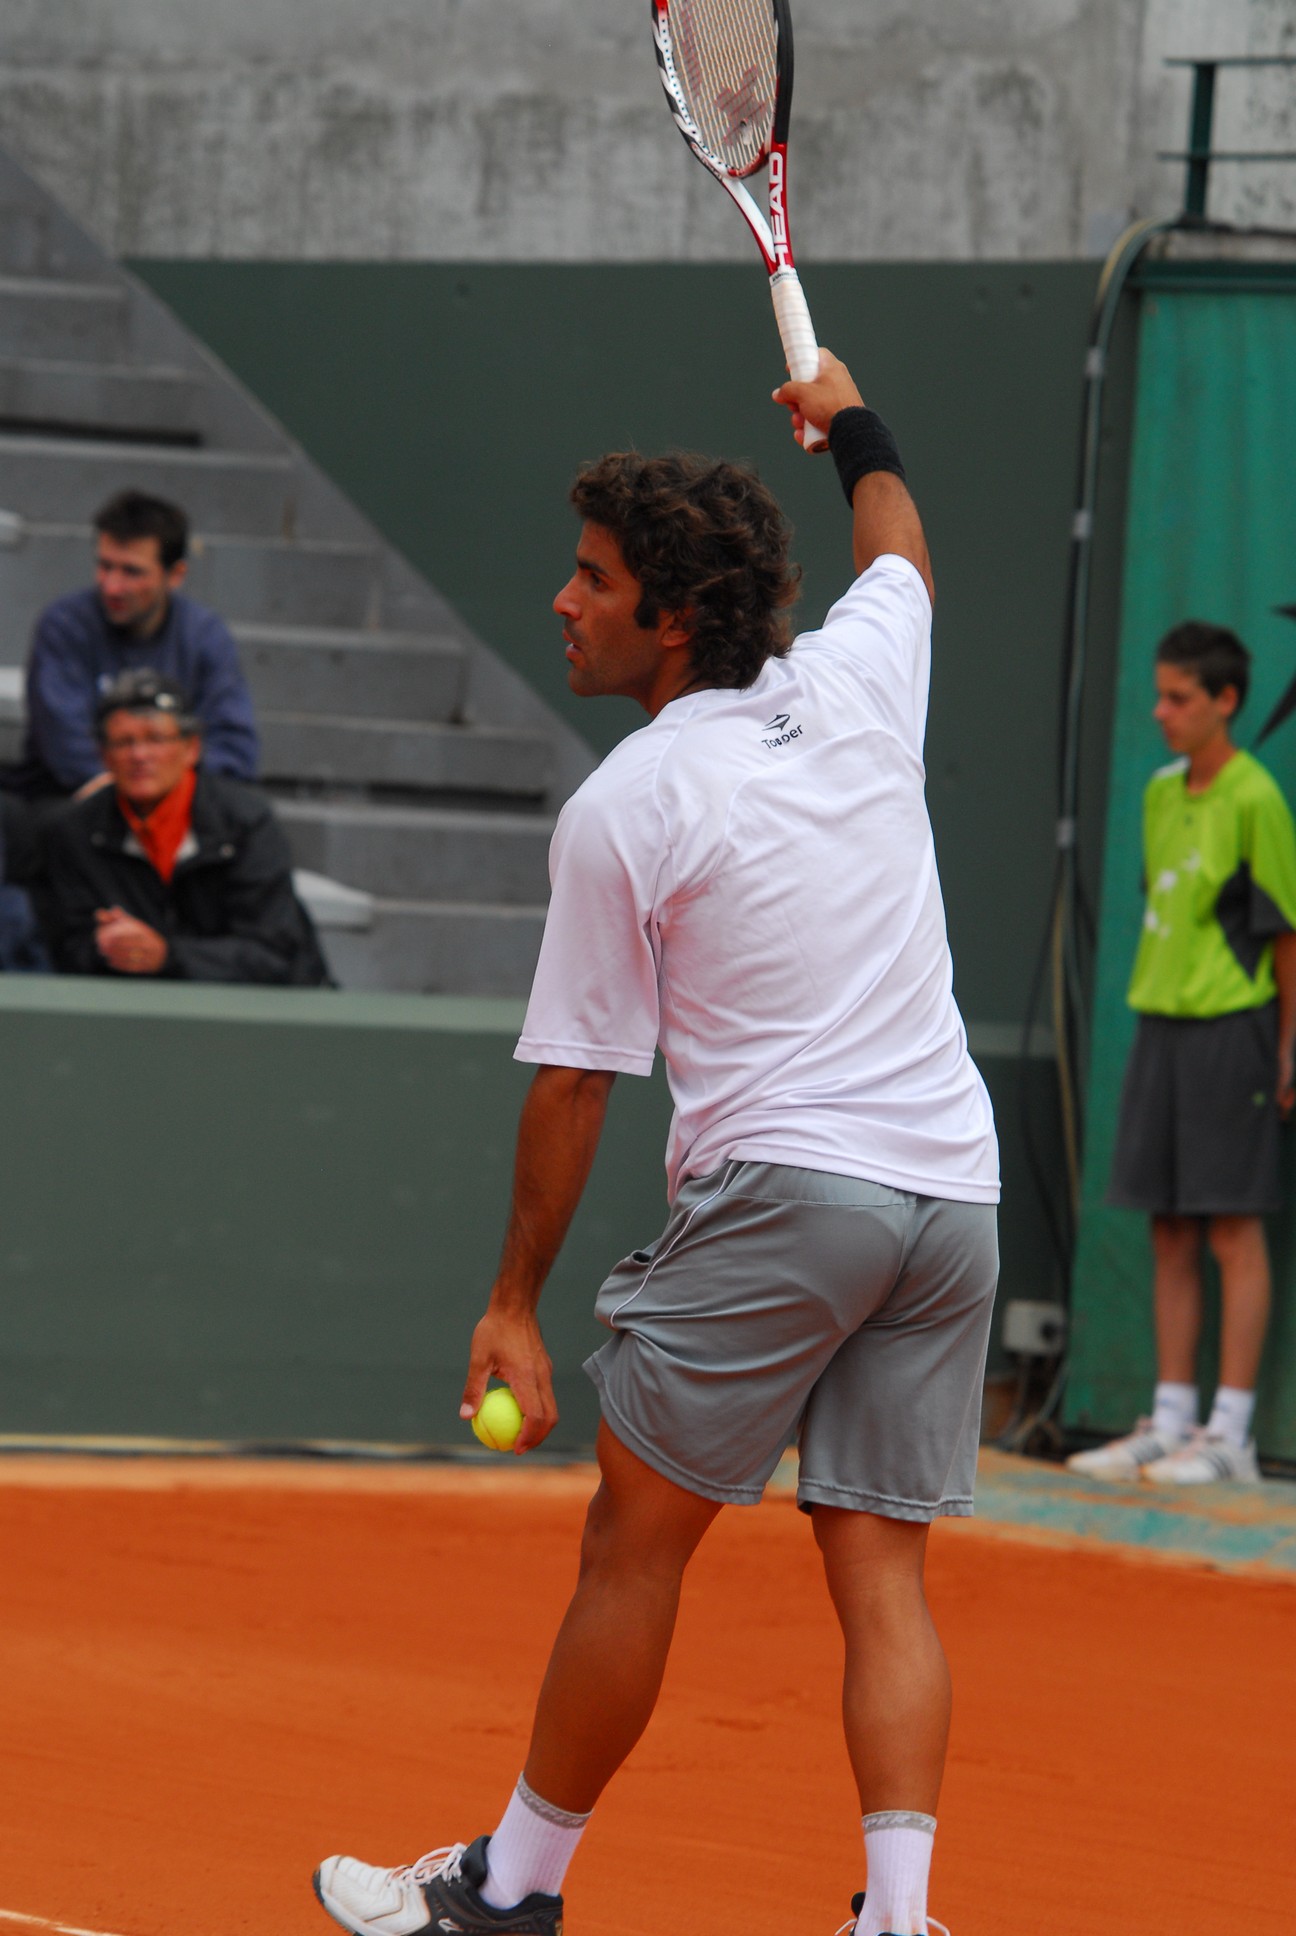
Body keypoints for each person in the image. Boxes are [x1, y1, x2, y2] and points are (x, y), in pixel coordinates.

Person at [312, 352, 999, 1936]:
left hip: (789, 1194)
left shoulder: (630, 805)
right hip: (950, 1195)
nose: (563, 600)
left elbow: (575, 1085)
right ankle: (900, 1919)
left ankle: (513, 1889)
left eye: (594, 579)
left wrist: (510, 1302)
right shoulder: (860, 675)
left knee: (635, 1546)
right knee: (881, 1572)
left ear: (669, 618)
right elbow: (900, 544)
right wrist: (852, 420)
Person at [1068, 621, 1296, 1486]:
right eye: (1158, 695)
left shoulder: (1258, 800)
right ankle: (1169, 1419)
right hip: (1158, 1026)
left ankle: (1229, 1434)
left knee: (1231, 1230)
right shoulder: (1162, 794)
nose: (1160, 711)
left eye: (1179, 698)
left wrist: (1285, 1052)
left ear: (1225, 702)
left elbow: (1284, 937)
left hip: (1234, 1032)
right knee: (1168, 1229)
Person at [43, 669, 330, 986]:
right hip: (133, 1012)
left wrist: (168, 956)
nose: (140, 755)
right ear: (103, 756)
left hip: (252, 1010)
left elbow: (273, 954)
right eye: (124, 742)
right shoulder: (74, 832)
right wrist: (110, 946)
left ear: (191, 749)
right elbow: (67, 949)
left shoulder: (246, 822)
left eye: (155, 739)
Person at [2, 487, 258, 810]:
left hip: (180, 813)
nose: (112, 586)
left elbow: (235, 750)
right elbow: (65, 746)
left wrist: (165, 798)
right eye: (105, 566)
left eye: (131, 571)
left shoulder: (205, 636)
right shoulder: (65, 625)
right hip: (76, 807)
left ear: (175, 574)